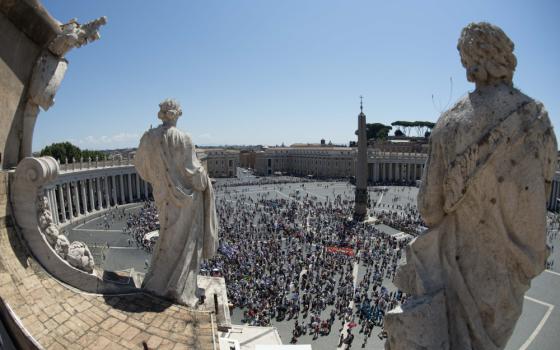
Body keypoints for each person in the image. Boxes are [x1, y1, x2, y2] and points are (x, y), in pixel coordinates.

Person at [386, 22, 557, 349]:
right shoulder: (539, 121)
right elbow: (537, 218)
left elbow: (430, 210)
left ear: (470, 62)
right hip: (507, 281)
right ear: (505, 57)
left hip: (459, 268)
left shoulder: (450, 122)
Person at [135, 99, 218, 307]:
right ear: (178, 115)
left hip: (163, 197)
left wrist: (158, 179)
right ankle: (178, 288)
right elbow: (195, 174)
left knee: (166, 240)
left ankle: (157, 283)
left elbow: (141, 167)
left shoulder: (148, 138)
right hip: (187, 202)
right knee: (185, 244)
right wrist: (206, 181)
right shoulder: (184, 139)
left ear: (161, 114)